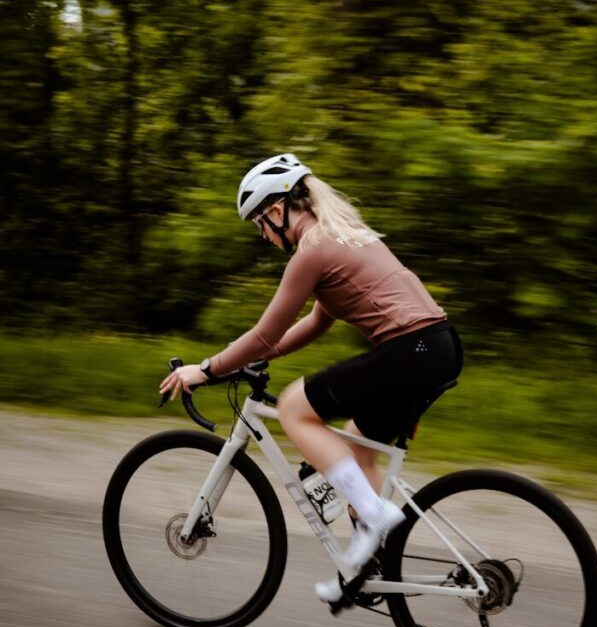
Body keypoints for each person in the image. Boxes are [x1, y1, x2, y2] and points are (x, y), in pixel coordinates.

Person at [159, 153, 463, 603]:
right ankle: (365, 566)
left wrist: (206, 369)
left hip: (411, 350)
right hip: (439, 346)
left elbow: (266, 332)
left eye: (260, 223)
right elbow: (314, 324)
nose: (263, 236)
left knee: (295, 408)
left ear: (279, 210)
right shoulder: (346, 235)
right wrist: (246, 360)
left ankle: (375, 518)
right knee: (358, 445)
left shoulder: (313, 250)